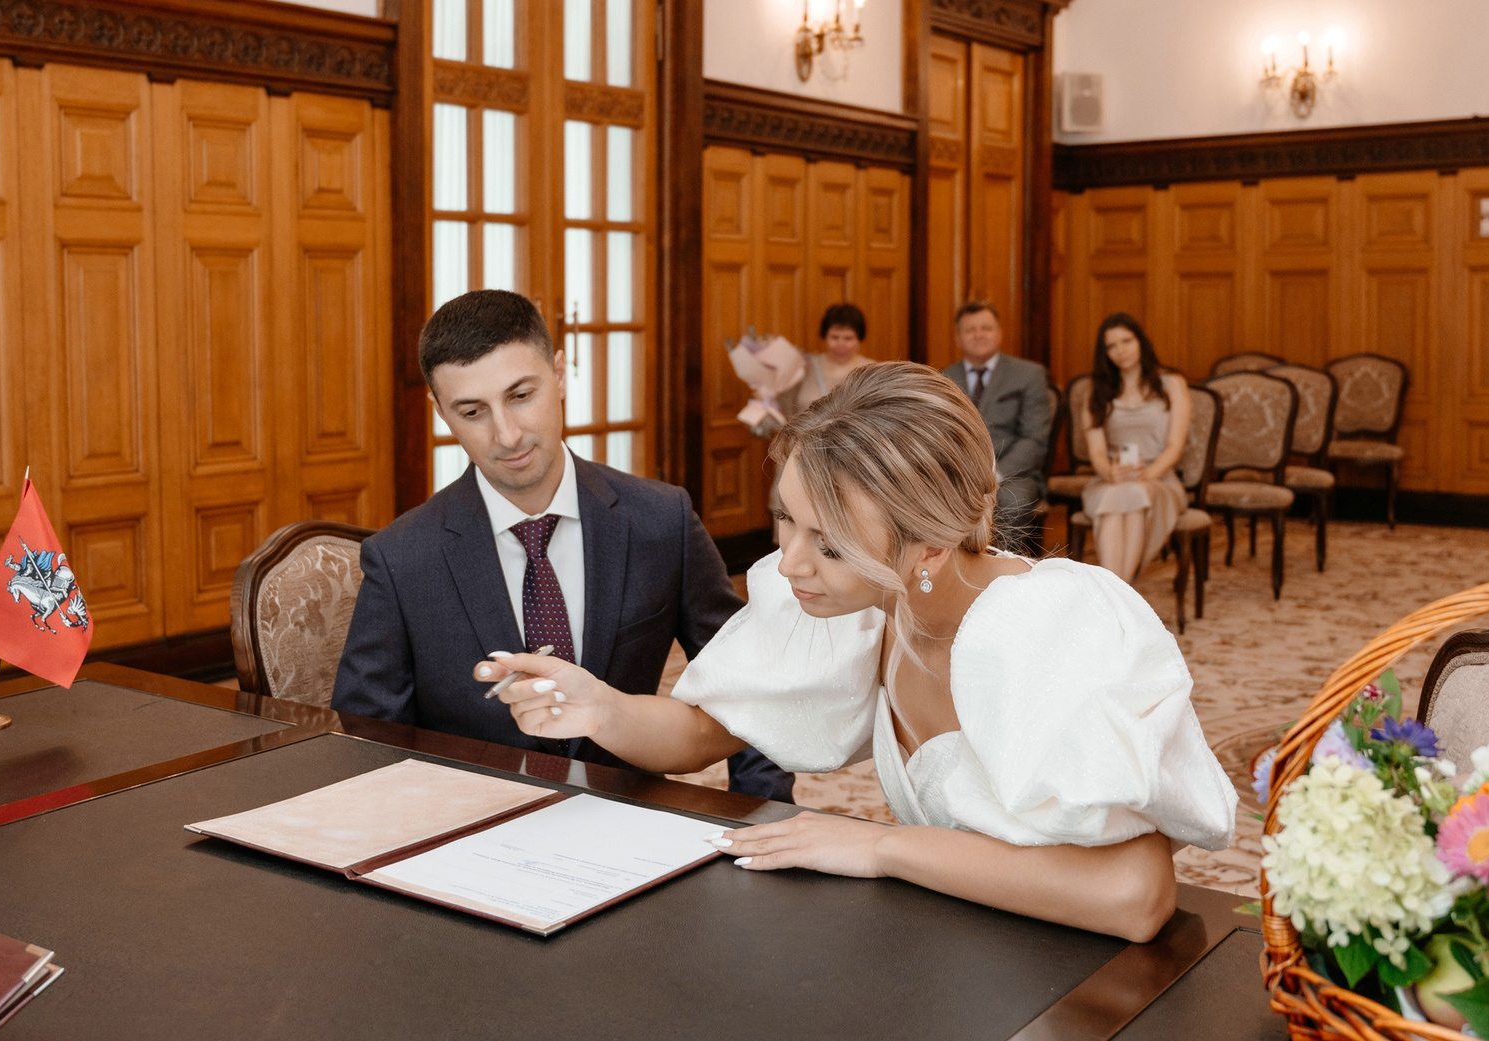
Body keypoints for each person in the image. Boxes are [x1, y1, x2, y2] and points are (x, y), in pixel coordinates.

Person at [472, 362, 1235, 942]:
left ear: (930, 544)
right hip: (959, 939)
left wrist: (881, 847)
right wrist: (601, 706)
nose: (790, 562)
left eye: (830, 544)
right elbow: (706, 727)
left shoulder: (1044, 626)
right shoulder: (865, 606)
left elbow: (1133, 895)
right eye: (786, 519)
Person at [331, 290, 793, 802]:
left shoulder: (662, 520)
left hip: (630, 817)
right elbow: (369, 742)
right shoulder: (402, 557)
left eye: (521, 395)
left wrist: (762, 810)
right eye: (472, 411)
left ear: (558, 373)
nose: (507, 434)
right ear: (441, 412)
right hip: (469, 823)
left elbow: (746, 685)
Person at [1079, 314, 1191, 584]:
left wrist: (1147, 475)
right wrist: (1111, 473)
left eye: (1127, 341)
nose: (1121, 350)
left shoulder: (1172, 384)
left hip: (1159, 478)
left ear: (1140, 341)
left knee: (1136, 492)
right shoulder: (1095, 390)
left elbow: (1175, 447)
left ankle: (1115, 593)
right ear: (1105, 353)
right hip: (1111, 477)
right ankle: (1123, 592)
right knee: (1120, 494)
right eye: (1112, 345)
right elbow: (1096, 451)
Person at [939, 301, 1051, 537]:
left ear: (999, 333)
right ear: (957, 338)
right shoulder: (943, 379)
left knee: (1012, 502)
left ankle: (1001, 562)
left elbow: (1034, 439)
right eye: (970, 330)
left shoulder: (1029, 374)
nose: (979, 335)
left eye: (986, 328)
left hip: (1014, 475)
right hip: (960, 474)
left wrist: (995, 475)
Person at [786, 303, 874, 415]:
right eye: (834, 337)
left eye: (848, 338)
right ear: (825, 336)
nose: (841, 344)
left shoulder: (871, 371)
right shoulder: (805, 366)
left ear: (859, 339)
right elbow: (786, 409)